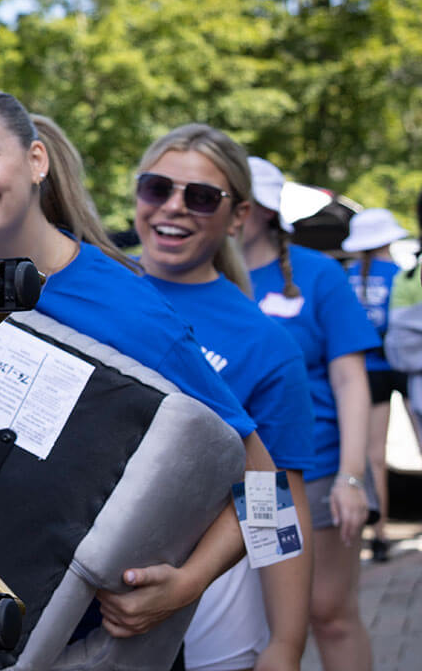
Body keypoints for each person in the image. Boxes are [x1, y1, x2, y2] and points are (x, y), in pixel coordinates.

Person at [0, 87, 273, 670]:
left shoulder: (133, 316)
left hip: (79, 643)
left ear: (37, 162)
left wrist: (190, 583)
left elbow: (265, 479)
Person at [133, 124, 316, 671]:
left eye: (202, 197)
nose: (173, 207)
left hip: (205, 608)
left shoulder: (264, 343)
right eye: (156, 187)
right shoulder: (95, 285)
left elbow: (273, 497)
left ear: (238, 216)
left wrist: (285, 642)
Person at [240, 156, 379, 671]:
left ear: (266, 211)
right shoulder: (197, 275)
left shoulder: (319, 274)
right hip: (249, 483)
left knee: (328, 611)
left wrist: (352, 476)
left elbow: (349, 379)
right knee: (266, 622)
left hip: (315, 472)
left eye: (244, 200)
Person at [342, 208, 410, 562]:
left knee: (374, 456)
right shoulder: (402, 274)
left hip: (367, 371)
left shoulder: (347, 277)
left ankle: (379, 532)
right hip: (407, 366)